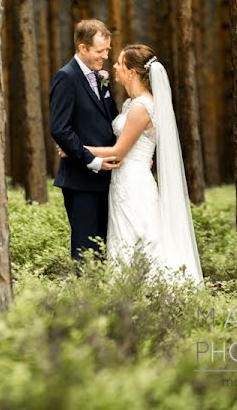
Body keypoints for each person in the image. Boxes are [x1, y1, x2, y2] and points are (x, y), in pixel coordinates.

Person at [82, 43, 203, 283]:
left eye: (119, 63)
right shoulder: (131, 103)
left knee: (138, 236)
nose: (114, 66)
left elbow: (118, 151)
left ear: (132, 72)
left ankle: (149, 293)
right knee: (127, 237)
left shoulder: (141, 107)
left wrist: (77, 149)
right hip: (125, 180)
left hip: (133, 184)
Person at [49, 19, 121, 261]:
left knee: (104, 250)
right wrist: (92, 160)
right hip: (81, 180)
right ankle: (85, 300)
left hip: (109, 178)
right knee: (86, 252)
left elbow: (109, 121)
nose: (106, 56)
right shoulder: (66, 77)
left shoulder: (98, 77)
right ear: (82, 48)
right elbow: (60, 129)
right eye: (100, 51)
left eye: (107, 50)